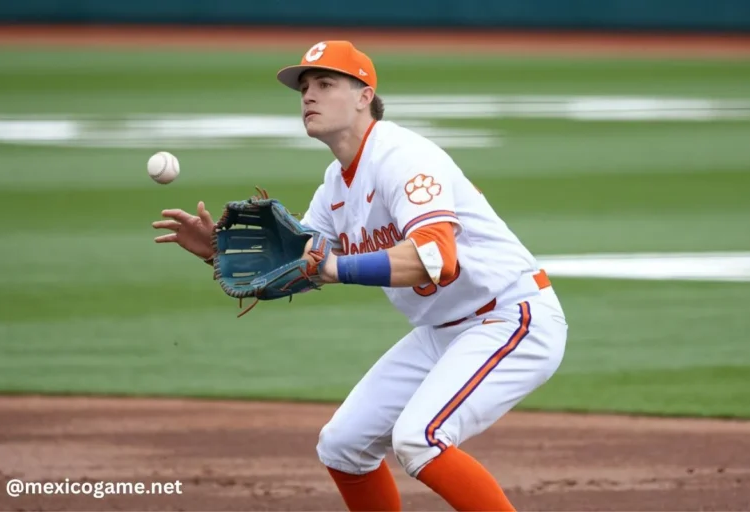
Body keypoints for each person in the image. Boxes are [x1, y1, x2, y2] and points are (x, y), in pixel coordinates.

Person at [152, 40, 568, 512]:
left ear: (364, 95)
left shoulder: (403, 157)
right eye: (304, 87)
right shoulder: (335, 184)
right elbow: (298, 267)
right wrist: (217, 252)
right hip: (443, 331)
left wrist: (334, 268)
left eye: (325, 84)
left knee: (420, 439)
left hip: (511, 316)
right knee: (342, 446)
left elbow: (436, 259)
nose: (309, 96)